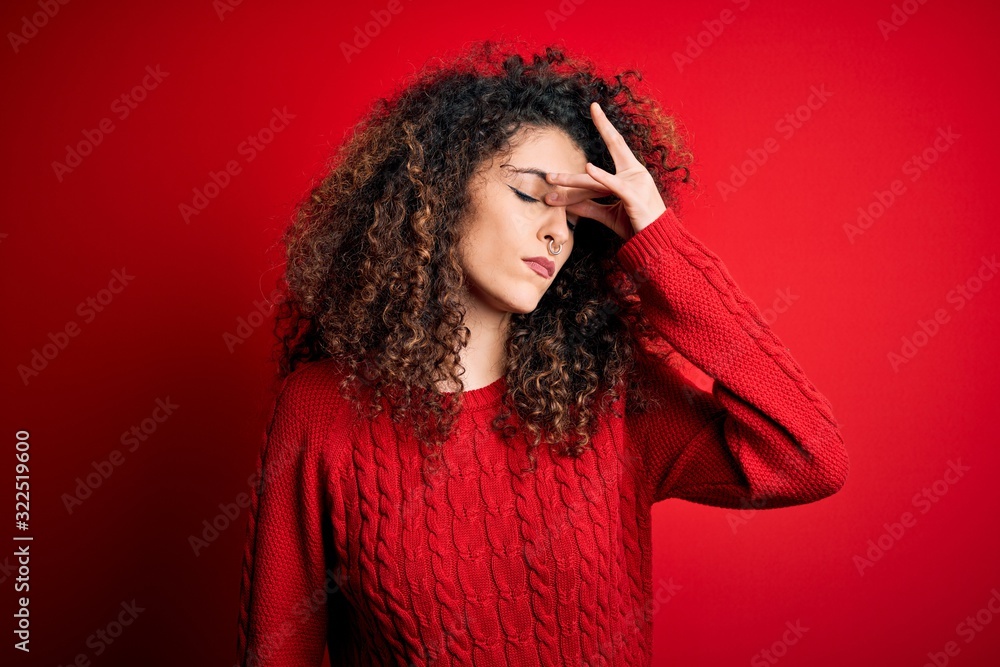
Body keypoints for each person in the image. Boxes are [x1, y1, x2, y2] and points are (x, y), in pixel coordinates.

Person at [235, 38, 849, 667]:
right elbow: (283, 648)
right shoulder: (319, 410)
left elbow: (807, 459)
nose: (557, 232)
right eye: (531, 196)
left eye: (576, 220)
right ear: (439, 193)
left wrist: (659, 244)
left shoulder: (606, 394)